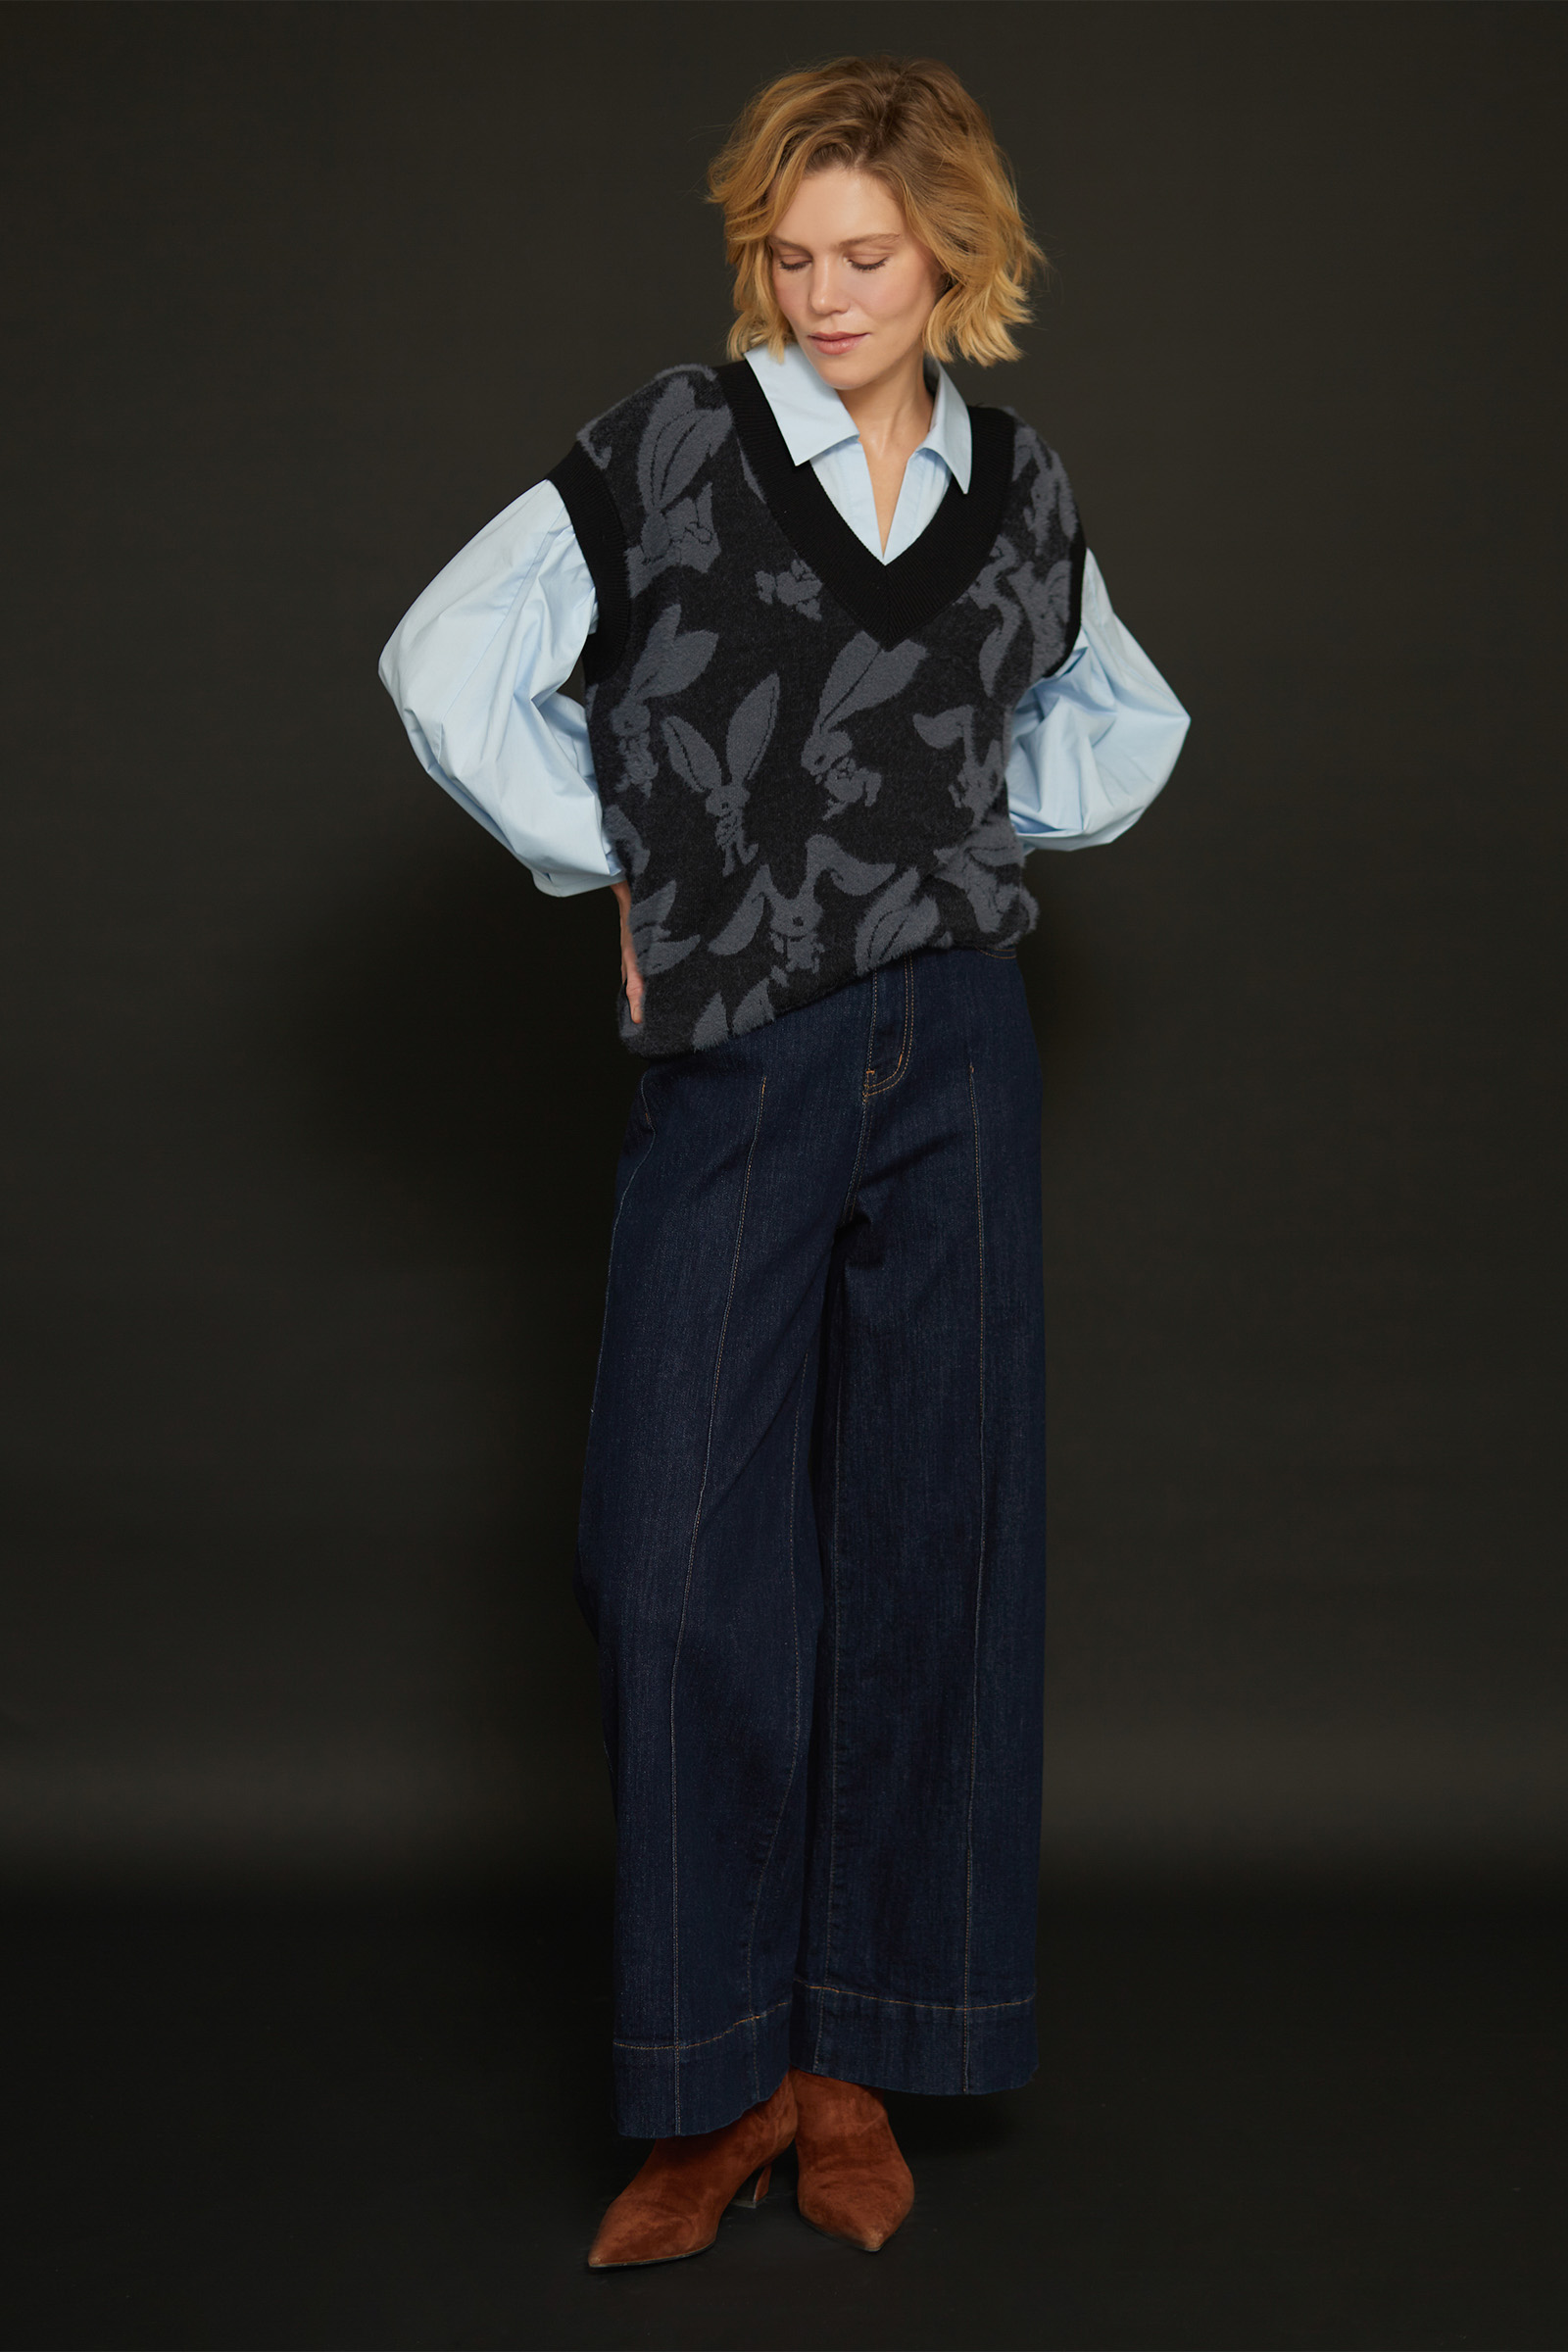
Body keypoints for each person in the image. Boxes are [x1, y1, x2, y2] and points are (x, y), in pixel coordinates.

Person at [379, 52, 1188, 2269]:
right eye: (789, 252)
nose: (823, 293)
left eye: (866, 255)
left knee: (930, 1543)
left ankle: (856, 2064)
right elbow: (446, 664)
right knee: (674, 1555)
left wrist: (934, 836)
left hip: (961, 1057)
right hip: (739, 1061)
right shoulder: (672, 443)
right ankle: (710, 2077)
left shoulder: (1019, 486)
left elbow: (1122, 725)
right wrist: (635, 855)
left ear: (953, 258)